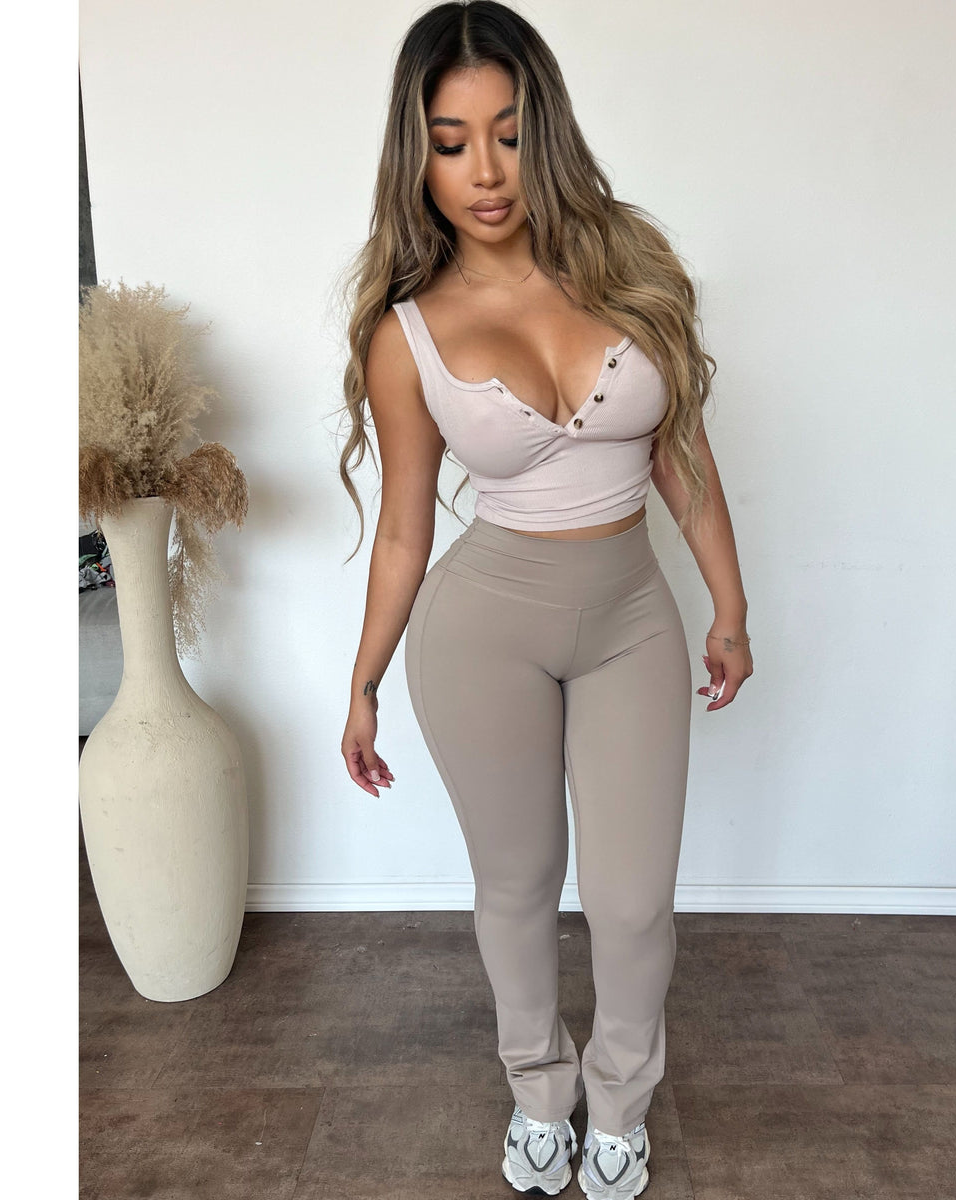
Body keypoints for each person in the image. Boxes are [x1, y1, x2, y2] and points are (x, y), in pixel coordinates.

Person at [335, 4, 752, 1196]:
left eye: (509, 134)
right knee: (516, 887)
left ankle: (620, 1104)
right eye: (452, 141)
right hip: (484, 632)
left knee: (631, 902)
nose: (486, 171)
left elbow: (684, 459)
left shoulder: (631, 266)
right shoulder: (407, 334)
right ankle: (539, 1094)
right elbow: (405, 528)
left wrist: (729, 608)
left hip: (631, 618)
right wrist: (363, 681)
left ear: (546, 132)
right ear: (417, 153)